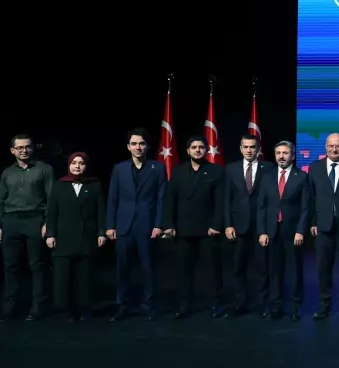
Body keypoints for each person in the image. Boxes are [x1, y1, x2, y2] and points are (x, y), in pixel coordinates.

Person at [162, 136, 227, 319]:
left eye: (201, 147)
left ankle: (215, 305)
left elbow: (220, 202)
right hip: (183, 229)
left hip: (208, 230)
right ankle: (184, 306)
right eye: (194, 147)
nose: (197, 150)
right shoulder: (178, 171)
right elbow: (170, 200)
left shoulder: (216, 171)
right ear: (187, 151)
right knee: (183, 270)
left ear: (206, 150)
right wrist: (168, 224)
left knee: (212, 270)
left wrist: (216, 225)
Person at [106, 128, 168, 321]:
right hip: (123, 225)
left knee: (148, 268)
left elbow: (161, 199)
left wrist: (158, 224)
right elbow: (113, 199)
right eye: (134, 144)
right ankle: (122, 306)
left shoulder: (158, 168)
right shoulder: (119, 169)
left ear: (147, 146)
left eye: (141, 143)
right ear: (128, 147)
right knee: (122, 269)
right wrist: (110, 225)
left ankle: (148, 305)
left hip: (147, 225)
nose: (138, 147)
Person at [0, 133, 55, 321]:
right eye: (20, 147)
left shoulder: (44, 169)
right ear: (12, 150)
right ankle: (9, 308)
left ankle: (38, 307)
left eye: (27, 147)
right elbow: (1, 200)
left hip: (35, 219)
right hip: (11, 220)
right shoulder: (7, 173)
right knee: (10, 266)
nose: (24, 150)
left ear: (33, 148)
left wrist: (47, 223)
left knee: (37, 265)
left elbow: (52, 199)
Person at [45, 152, 106, 320]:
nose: (77, 166)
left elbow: (100, 210)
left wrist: (102, 232)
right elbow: (52, 212)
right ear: (69, 165)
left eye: (81, 163)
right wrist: (50, 234)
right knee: (62, 277)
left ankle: (84, 308)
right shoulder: (59, 185)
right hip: (63, 238)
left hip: (86, 237)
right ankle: (63, 310)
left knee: (84, 276)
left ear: (86, 166)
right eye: (74, 163)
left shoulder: (94, 185)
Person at [256, 141, 311, 320]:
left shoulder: (302, 177)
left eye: (285, 153)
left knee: (295, 271)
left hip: (293, 232)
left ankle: (295, 307)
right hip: (272, 232)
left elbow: (306, 207)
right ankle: (275, 306)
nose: (281, 156)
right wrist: (262, 231)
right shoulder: (267, 177)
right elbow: (261, 206)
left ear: (292, 156)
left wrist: (301, 231)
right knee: (274, 271)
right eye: (278, 153)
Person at [308, 132, 339, 319]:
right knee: (323, 266)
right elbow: (311, 198)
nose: (334, 149)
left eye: (338, 146)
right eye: (331, 146)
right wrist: (313, 221)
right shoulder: (314, 168)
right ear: (325, 147)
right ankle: (324, 304)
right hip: (323, 225)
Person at [224, 134, 269, 316]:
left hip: (261, 227)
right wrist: (228, 225)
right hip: (238, 226)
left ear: (258, 149)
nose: (249, 150)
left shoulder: (269, 168)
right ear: (241, 148)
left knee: (263, 268)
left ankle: (263, 305)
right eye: (246, 147)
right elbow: (226, 199)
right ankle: (240, 303)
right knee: (238, 268)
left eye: (252, 147)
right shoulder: (230, 169)